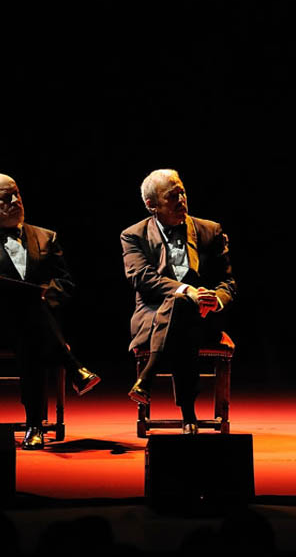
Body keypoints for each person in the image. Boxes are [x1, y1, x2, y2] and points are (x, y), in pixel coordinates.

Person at [0, 173, 101, 450]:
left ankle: (35, 426)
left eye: (17, 194)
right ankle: (73, 369)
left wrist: (41, 297)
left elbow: (65, 283)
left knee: (29, 331)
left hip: (33, 328)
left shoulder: (47, 237)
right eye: (5, 197)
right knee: (26, 312)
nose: (15, 200)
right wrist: (0, 293)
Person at [121, 169, 236, 434]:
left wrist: (215, 300)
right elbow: (142, 278)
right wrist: (187, 291)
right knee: (180, 304)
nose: (181, 200)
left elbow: (228, 283)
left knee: (184, 312)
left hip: (204, 318)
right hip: (152, 319)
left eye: (182, 192)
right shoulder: (133, 235)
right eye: (172, 196)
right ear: (152, 204)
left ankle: (147, 378)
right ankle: (188, 414)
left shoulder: (210, 231)